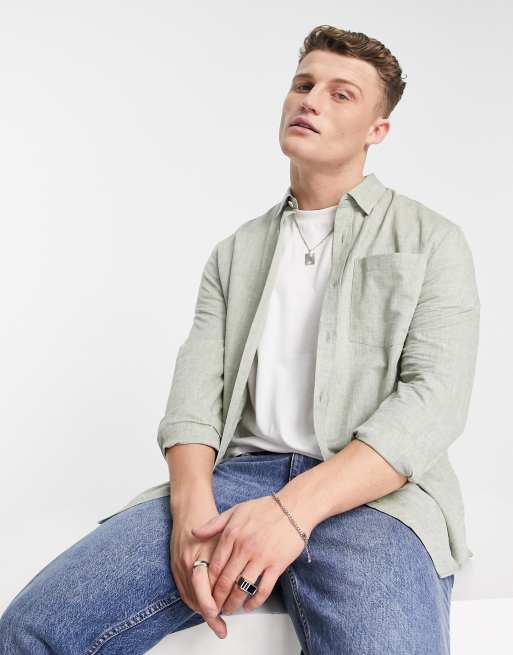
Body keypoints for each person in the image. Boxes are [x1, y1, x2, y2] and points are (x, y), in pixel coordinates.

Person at [0, 24, 480, 654]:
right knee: (31, 631)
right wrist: (191, 510)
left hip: (376, 498)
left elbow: (434, 401)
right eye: (303, 85)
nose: (311, 101)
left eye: (341, 94)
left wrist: (291, 512)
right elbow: (194, 399)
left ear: (377, 130)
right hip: (238, 482)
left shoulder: (432, 240)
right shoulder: (236, 252)